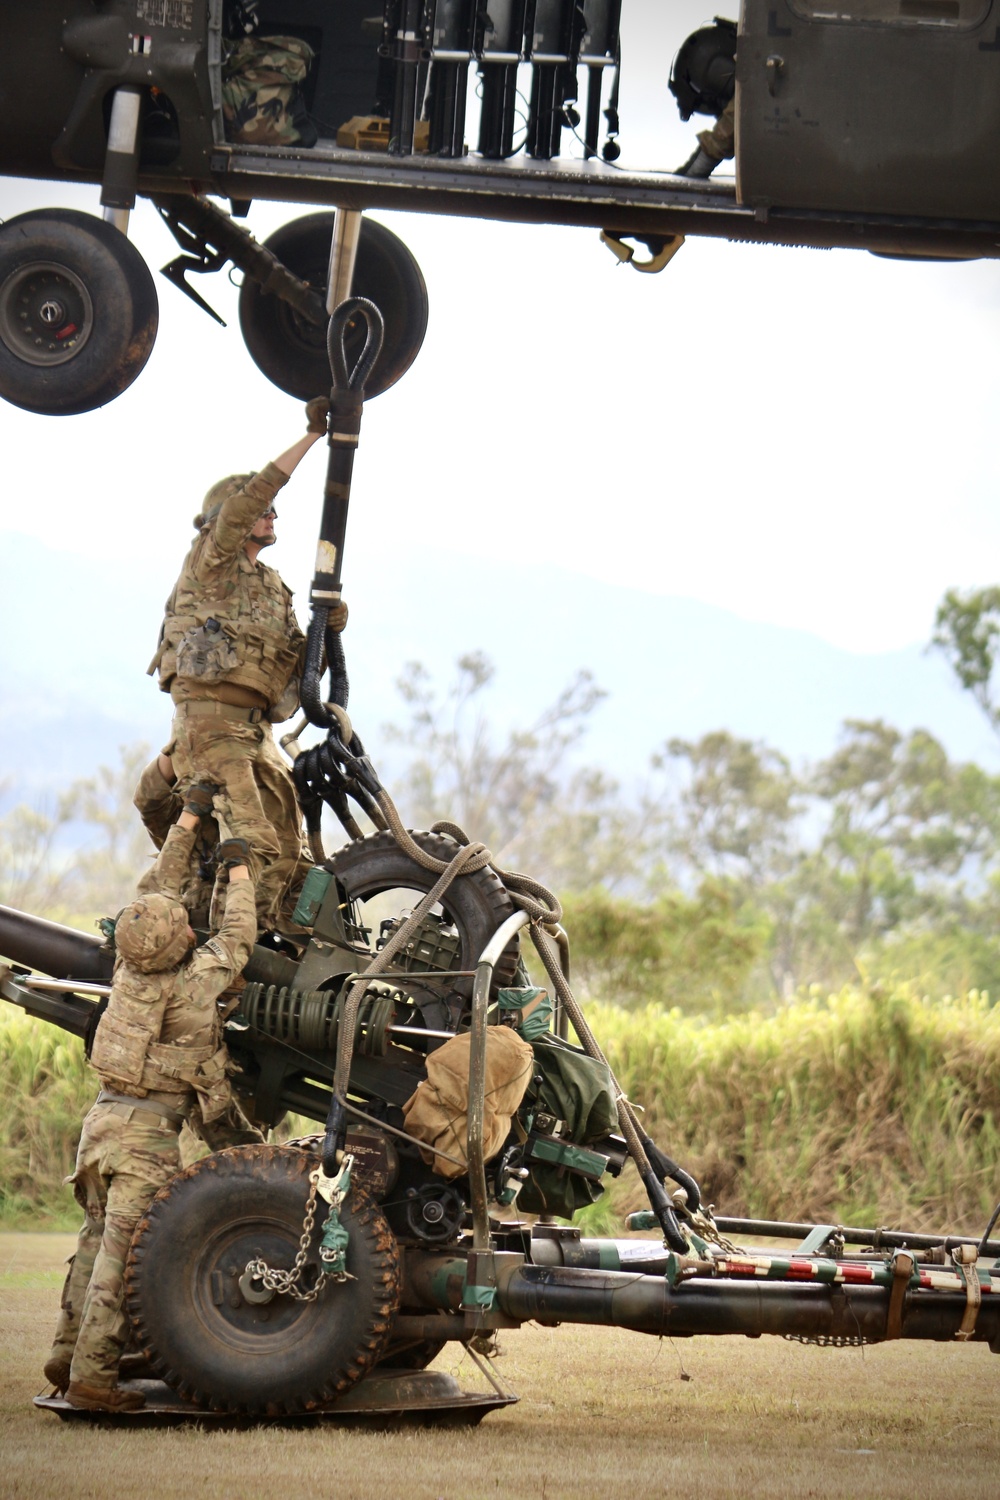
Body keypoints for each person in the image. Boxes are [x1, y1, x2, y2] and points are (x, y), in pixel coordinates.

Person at [42, 801, 260, 1411]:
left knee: (92, 1241)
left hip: (102, 1124)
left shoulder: (130, 965)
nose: (191, 927)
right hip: (145, 1138)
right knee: (123, 1253)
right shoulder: (196, 984)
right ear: (179, 941)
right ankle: (92, 1382)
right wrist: (238, 869)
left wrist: (188, 823)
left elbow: (153, 894)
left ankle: (64, 1355)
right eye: (186, 926)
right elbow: (239, 936)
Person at [148, 399, 346, 934]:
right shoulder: (211, 563)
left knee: (289, 852)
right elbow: (252, 497)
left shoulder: (271, 587)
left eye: (274, 512)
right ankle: (224, 962)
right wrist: (312, 437)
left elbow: (291, 671)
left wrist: (326, 633)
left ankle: (272, 947)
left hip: (254, 732)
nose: (270, 514)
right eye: (262, 509)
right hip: (212, 725)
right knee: (252, 844)